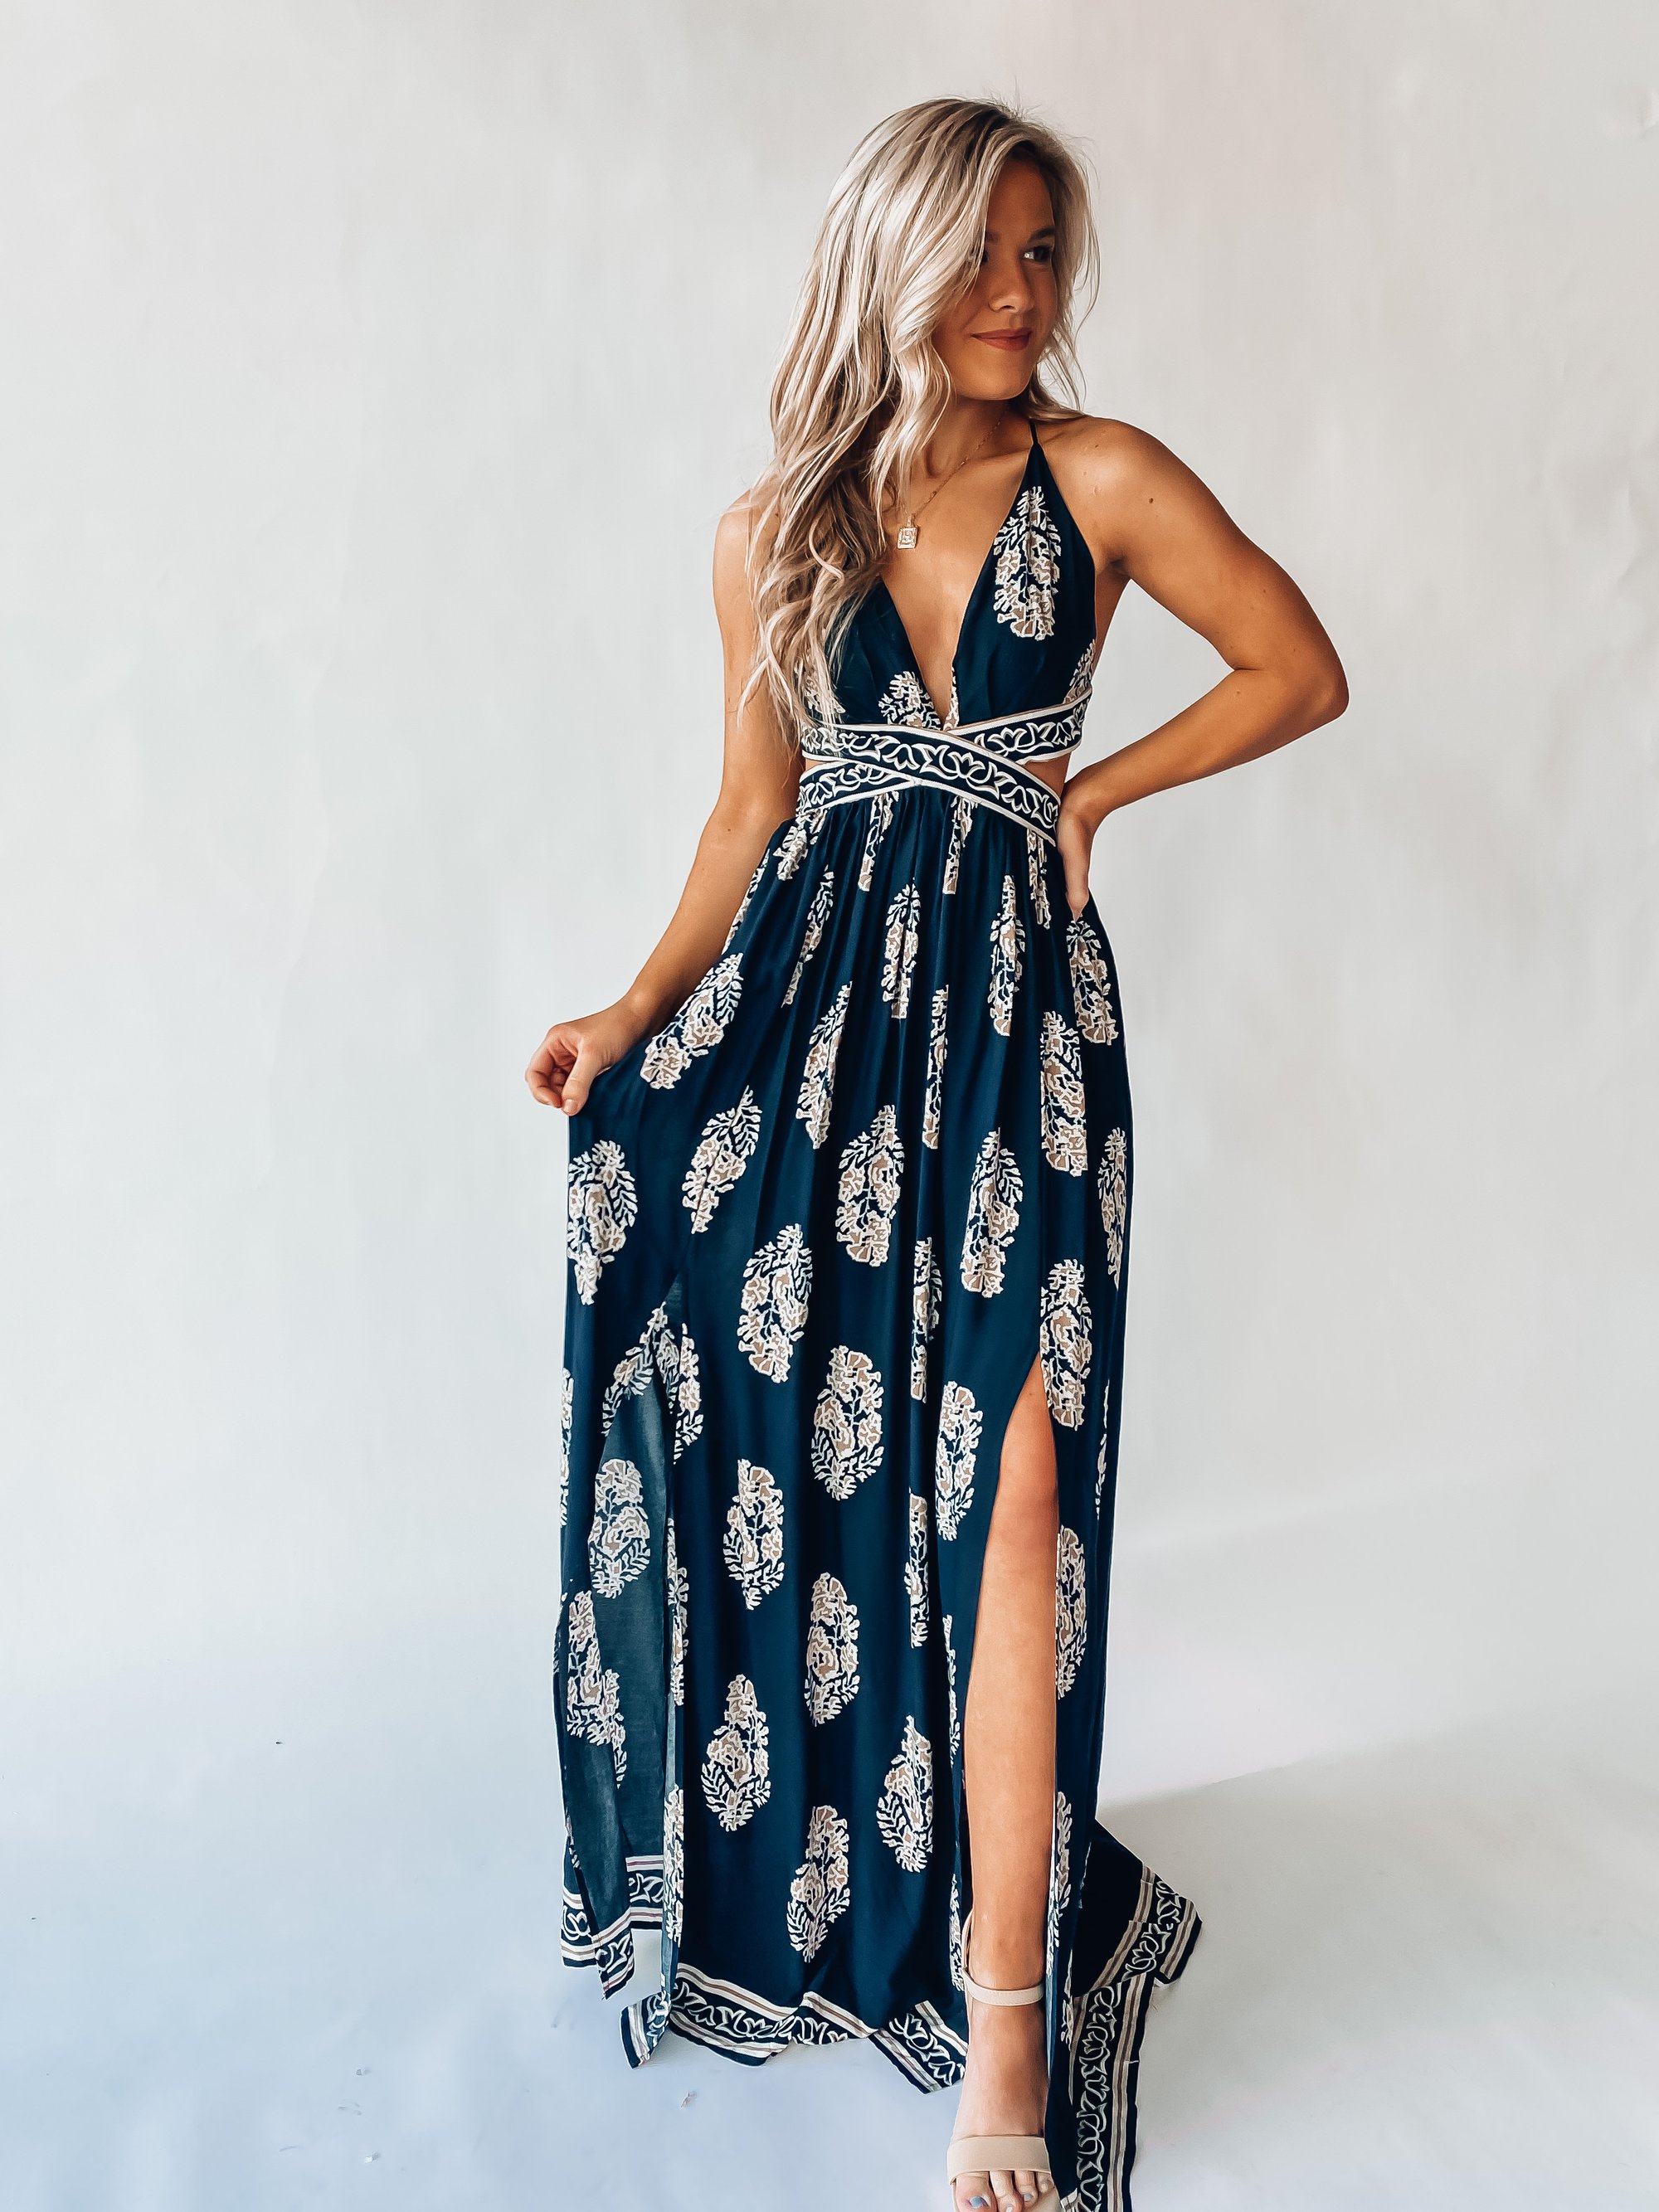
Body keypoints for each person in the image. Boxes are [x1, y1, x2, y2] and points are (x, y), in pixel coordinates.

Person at [527, 95, 1346, 2212]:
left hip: (1018, 1043)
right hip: (802, 1043)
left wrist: (1091, 793)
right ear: (889, 255)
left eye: (1044, 251)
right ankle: (854, 1885)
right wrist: (631, 1007)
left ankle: (1002, 2045)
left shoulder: (1106, 475)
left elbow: (1297, 668)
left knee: (1015, 1490)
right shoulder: (767, 531)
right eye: (980, 248)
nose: (1017, 290)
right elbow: (747, 815)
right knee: (822, 1470)